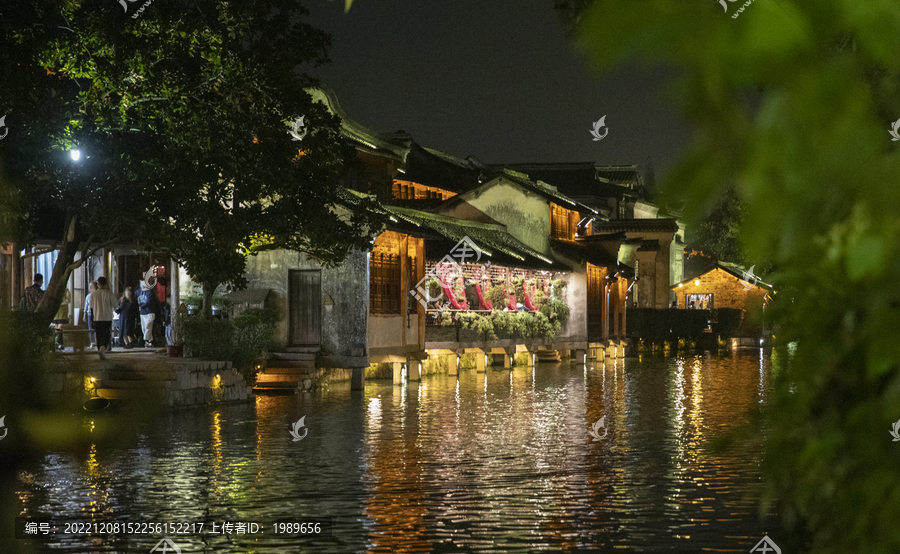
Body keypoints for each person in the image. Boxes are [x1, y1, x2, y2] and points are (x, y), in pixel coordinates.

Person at [91, 277, 117, 359]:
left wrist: (92, 319)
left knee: (98, 335)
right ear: (106, 284)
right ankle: (103, 348)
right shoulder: (109, 294)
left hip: (97, 318)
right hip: (107, 318)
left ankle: (100, 349)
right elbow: (115, 305)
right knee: (106, 335)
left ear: (98, 284)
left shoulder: (93, 294)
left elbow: (91, 308)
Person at [135, 279, 159, 347]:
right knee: (144, 328)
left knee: (148, 326)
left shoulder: (150, 292)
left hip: (150, 312)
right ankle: (149, 341)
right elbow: (134, 299)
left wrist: (141, 306)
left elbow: (149, 301)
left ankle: (145, 339)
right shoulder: (138, 292)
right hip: (142, 313)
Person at [83, 281, 98, 348]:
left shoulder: (98, 295)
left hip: (97, 313)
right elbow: (86, 306)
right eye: (90, 287)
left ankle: (97, 342)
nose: (90, 288)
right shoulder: (88, 296)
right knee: (90, 328)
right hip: (89, 314)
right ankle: (92, 342)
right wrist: (84, 314)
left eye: (92, 287)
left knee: (97, 328)